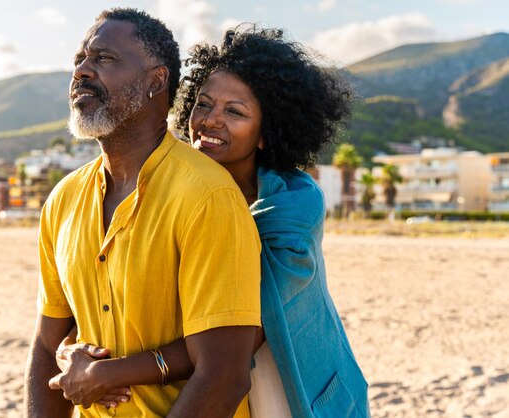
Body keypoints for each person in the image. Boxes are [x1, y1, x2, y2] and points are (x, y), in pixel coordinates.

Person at [59, 25, 370, 417]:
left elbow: (245, 328)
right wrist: (69, 351)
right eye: (203, 104)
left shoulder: (293, 203)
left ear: (265, 133)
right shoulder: (175, 189)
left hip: (291, 381)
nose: (210, 121)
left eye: (235, 112)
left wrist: (110, 373)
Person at [23, 8, 262, 418]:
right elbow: (47, 347)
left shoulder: (208, 196)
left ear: (156, 80)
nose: (81, 71)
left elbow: (223, 374)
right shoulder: (62, 200)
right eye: (79, 59)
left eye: (104, 58)